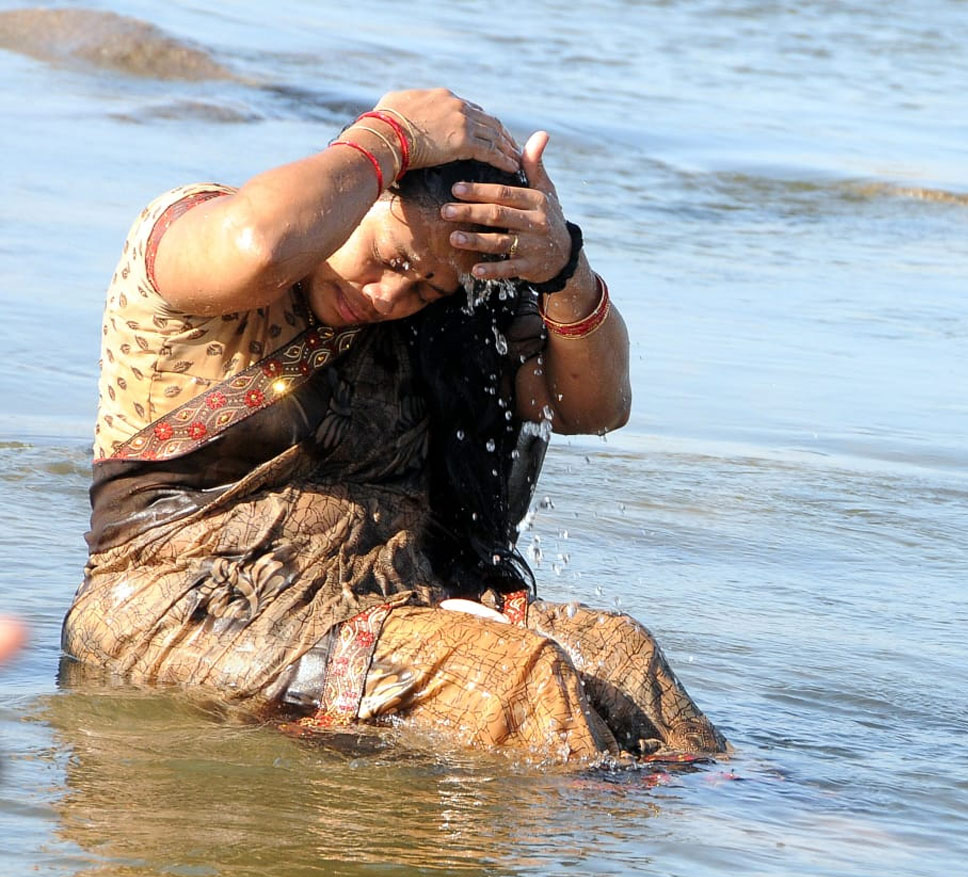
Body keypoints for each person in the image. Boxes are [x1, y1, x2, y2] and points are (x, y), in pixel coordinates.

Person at [62, 88, 726, 765]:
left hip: (392, 600)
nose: (386, 297)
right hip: (179, 605)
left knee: (624, 654)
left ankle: (735, 819)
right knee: (514, 680)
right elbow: (258, 243)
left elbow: (598, 406)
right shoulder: (200, 241)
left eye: (425, 289)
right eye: (394, 258)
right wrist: (393, 136)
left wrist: (563, 267)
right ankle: (573, 844)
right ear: (363, 193)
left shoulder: (439, 326)